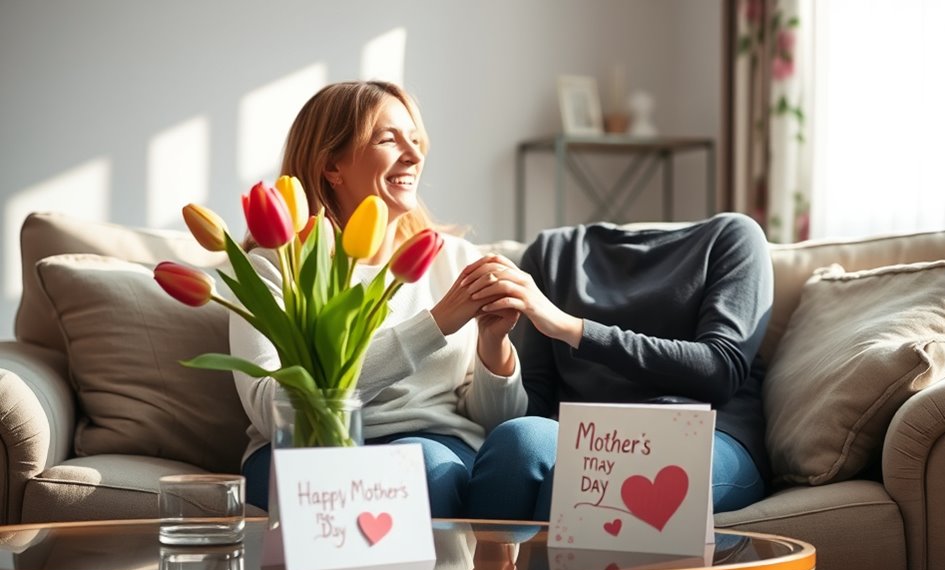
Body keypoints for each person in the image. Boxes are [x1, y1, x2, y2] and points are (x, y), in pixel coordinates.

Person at [230, 80, 527, 518]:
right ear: (332, 166)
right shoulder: (280, 268)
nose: (413, 154)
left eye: (415, 139)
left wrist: (493, 344)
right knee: (404, 472)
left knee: (426, 466)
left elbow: (494, 421)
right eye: (389, 139)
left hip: (433, 447)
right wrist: (435, 323)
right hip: (306, 451)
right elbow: (271, 408)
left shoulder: (455, 262)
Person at [460, 214, 774, 520]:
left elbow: (719, 369)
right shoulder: (550, 253)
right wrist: (493, 339)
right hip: (591, 435)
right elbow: (536, 403)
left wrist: (572, 329)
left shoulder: (733, 236)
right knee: (516, 441)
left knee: (590, 479)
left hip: (704, 431)